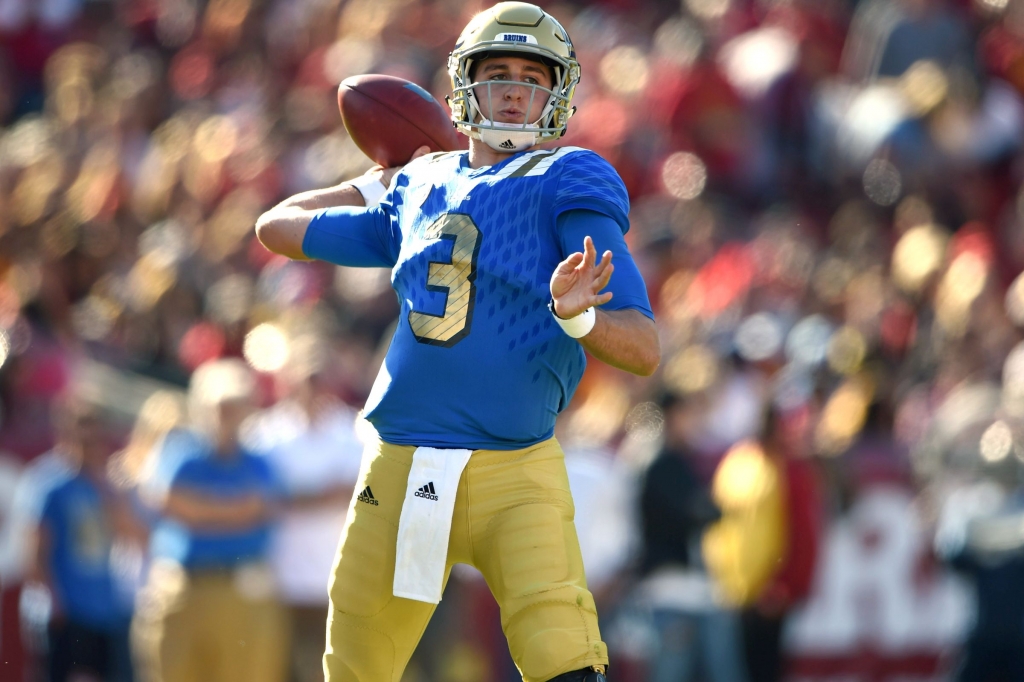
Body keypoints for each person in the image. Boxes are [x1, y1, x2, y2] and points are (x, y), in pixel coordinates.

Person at [254, 3, 660, 681]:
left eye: (531, 76)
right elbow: (275, 226)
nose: (511, 88)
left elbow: (644, 348)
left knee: (566, 663)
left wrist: (579, 317)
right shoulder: (417, 185)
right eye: (495, 71)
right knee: (355, 672)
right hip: (401, 464)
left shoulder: (567, 177)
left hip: (515, 472)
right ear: (462, 85)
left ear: (555, 94)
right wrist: (373, 183)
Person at [130, 358, 287, 682]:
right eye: (220, 406)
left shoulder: (258, 461)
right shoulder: (180, 453)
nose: (227, 415)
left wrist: (202, 508)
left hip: (243, 593)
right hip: (183, 589)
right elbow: (169, 502)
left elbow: (262, 507)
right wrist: (234, 510)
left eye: (235, 405)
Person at [243, 338, 365, 682]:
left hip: (335, 581)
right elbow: (259, 499)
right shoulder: (265, 433)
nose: (312, 387)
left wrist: (293, 500)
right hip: (277, 579)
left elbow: (359, 493)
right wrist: (320, 496)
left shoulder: (352, 431)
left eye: (319, 376)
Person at [15, 392, 135, 682]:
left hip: (106, 609)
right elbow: (33, 551)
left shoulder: (106, 484)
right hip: (66, 611)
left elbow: (131, 534)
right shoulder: (47, 483)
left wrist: (109, 490)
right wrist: (53, 603)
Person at [637, 391, 747, 682]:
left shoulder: (680, 462)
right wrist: (711, 507)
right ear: (671, 417)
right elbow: (697, 513)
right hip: (670, 590)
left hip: (695, 590)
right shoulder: (659, 464)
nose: (694, 423)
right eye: (687, 415)